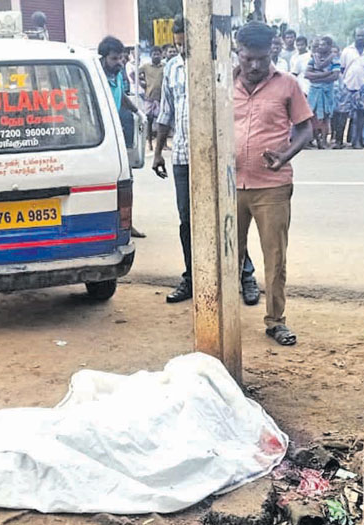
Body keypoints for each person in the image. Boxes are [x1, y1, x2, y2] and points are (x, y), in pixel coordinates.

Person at [152, 15, 259, 305]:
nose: (183, 51)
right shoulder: (173, 67)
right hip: (184, 158)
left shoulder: (222, 68)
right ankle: (192, 277)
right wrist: (159, 151)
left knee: (228, 217)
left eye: (187, 45)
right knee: (187, 221)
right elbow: (166, 113)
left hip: (218, 157)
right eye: (178, 46)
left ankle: (245, 276)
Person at [234, 22, 313, 346]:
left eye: (262, 59)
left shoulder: (288, 85)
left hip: (272, 187)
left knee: (275, 258)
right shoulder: (222, 83)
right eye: (248, 58)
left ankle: (275, 321)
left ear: (272, 54)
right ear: (237, 51)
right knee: (227, 257)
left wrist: (285, 155)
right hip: (230, 187)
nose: (254, 66)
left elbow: (306, 129)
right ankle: (224, 318)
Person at [98, 35, 145, 239]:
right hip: (100, 138)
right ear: (104, 57)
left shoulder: (117, 74)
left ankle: (127, 224)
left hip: (116, 135)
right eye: (114, 59)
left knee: (126, 181)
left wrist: (138, 111)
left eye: (121, 59)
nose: (119, 63)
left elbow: (122, 96)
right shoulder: (97, 75)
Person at [337, 26, 364, 149]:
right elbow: (342, 68)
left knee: (361, 114)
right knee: (343, 113)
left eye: (363, 35)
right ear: (354, 36)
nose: (360, 38)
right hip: (348, 85)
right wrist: (344, 83)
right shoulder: (347, 51)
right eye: (358, 35)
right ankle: (339, 141)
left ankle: (357, 141)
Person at [305, 36, 340, 149]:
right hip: (314, 91)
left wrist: (316, 78)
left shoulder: (335, 59)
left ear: (330, 46)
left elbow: (335, 76)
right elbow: (307, 75)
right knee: (313, 115)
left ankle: (324, 141)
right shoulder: (313, 58)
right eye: (319, 45)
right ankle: (317, 140)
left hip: (326, 91)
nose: (320, 47)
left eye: (323, 44)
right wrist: (325, 74)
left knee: (325, 116)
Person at [138, 46, 164, 151]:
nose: (156, 56)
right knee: (149, 120)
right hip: (149, 97)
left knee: (162, 121)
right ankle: (149, 143)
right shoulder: (145, 66)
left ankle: (162, 143)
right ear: (151, 55)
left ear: (161, 55)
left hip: (161, 97)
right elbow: (134, 74)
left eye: (158, 54)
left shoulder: (165, 66)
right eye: (154, 54)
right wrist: (143, 84)